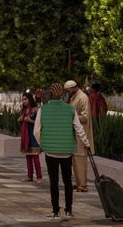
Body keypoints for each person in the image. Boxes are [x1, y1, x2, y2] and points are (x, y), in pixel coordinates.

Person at [34, 82, 91, 220]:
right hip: (66, 151)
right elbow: (79, 128)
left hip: (50, 152)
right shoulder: (70, 109)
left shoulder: (43, 109)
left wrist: (44, 144)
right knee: (67, 181)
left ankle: (55, 211)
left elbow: (36, 131)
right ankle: (68, 210)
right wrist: (86, 143)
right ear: (62, 94)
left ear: (50, 94)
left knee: (54, 182)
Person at [64, 80, 92, 192]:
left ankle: (83, 184)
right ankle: (78, 182)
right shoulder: (73, 97)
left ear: (74, 87)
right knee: (75, 159)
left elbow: (85, 117)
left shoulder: (83, 97)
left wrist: (72, 118)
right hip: (74, 133)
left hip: (81, 133)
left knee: (80, 159)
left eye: (68, 90)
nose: (68, 92)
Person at [17, 92, 42, 183]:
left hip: (33, 135)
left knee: (35, 157)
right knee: (28, 156)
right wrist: (20, 120)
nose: (23, 101)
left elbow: (40, 123)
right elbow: (21, 121)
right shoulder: (23, 111)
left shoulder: (36, 109)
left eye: (25, 99)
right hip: (26, 135)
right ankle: (29, 176)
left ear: (30, 99)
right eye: (22, 99)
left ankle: (39, 176)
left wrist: (30, 120)